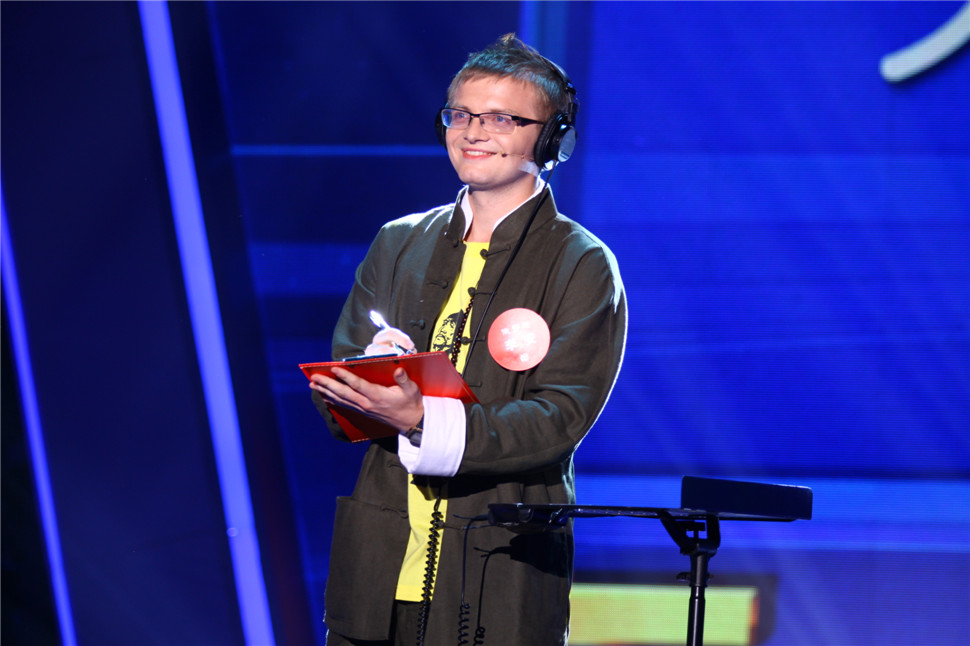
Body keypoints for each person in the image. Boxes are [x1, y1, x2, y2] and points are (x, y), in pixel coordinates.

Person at [310, 33, 627, 646]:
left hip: (498, 568)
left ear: (552, 139)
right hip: (378, 567)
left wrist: (422, 418)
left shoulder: (582, 263)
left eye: (502, 118)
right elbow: (340, 388)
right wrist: (364, 385)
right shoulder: (398, 242)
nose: (474, 132)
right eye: (461, 114)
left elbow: (560, 416)